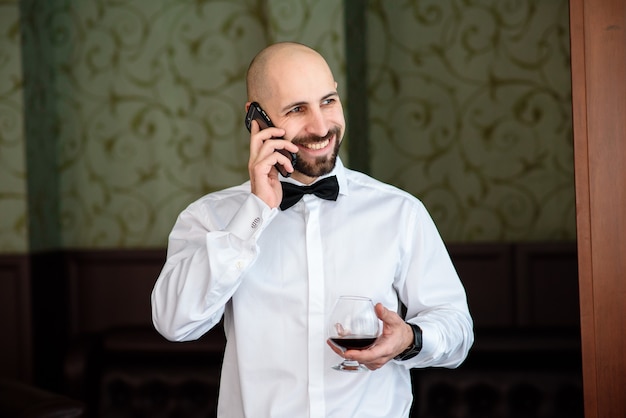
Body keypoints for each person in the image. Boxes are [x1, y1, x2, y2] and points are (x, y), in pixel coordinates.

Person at [151, 42, 473, 418]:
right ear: (256, 119)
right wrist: (253, 214)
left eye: (328, 101)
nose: (321, 127)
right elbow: (174, 322)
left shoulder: (400, 212)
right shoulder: (211, 217)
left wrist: (411, 339)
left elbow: (457, 329)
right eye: (296, 109)